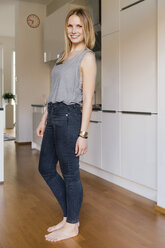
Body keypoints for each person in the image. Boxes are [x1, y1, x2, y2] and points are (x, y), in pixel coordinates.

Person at [36, 7, 97, 242]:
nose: (74, 30)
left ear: (86, 29)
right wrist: (45, 118)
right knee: (46, 168)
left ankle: (72, 224)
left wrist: (83, 134)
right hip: (54, 116)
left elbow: (89, 99)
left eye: (79, 26)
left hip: (70, 117)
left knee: (71, 174)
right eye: (70, 26)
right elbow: (54, 91)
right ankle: (69, 215)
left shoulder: (87, 57)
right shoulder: (63, 55)